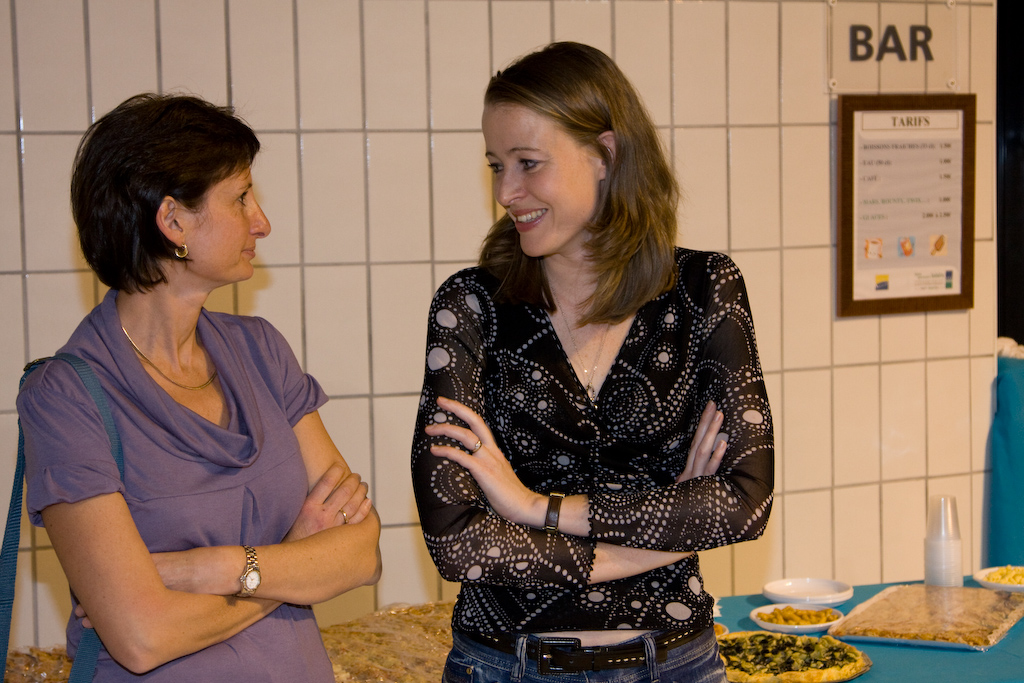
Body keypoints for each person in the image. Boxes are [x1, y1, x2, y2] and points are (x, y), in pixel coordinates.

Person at [411, 42, 774, 682]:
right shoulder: (470, 307)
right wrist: (668, 531)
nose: (506, 192)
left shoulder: (704, 289)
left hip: (676, 665)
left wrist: (536, 508)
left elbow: (744, 501)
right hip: (506, 667)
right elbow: (458, 542)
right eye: (496, 166)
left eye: (528, 163)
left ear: (604, 154)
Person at [17, 93, 381, 681]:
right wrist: (290, 563)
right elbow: (143, 637)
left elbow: (361, 553)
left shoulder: (262, 350)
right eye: (240, 198)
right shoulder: (65, 398)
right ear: (173, 222)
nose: (262, 222)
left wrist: (204, 569)